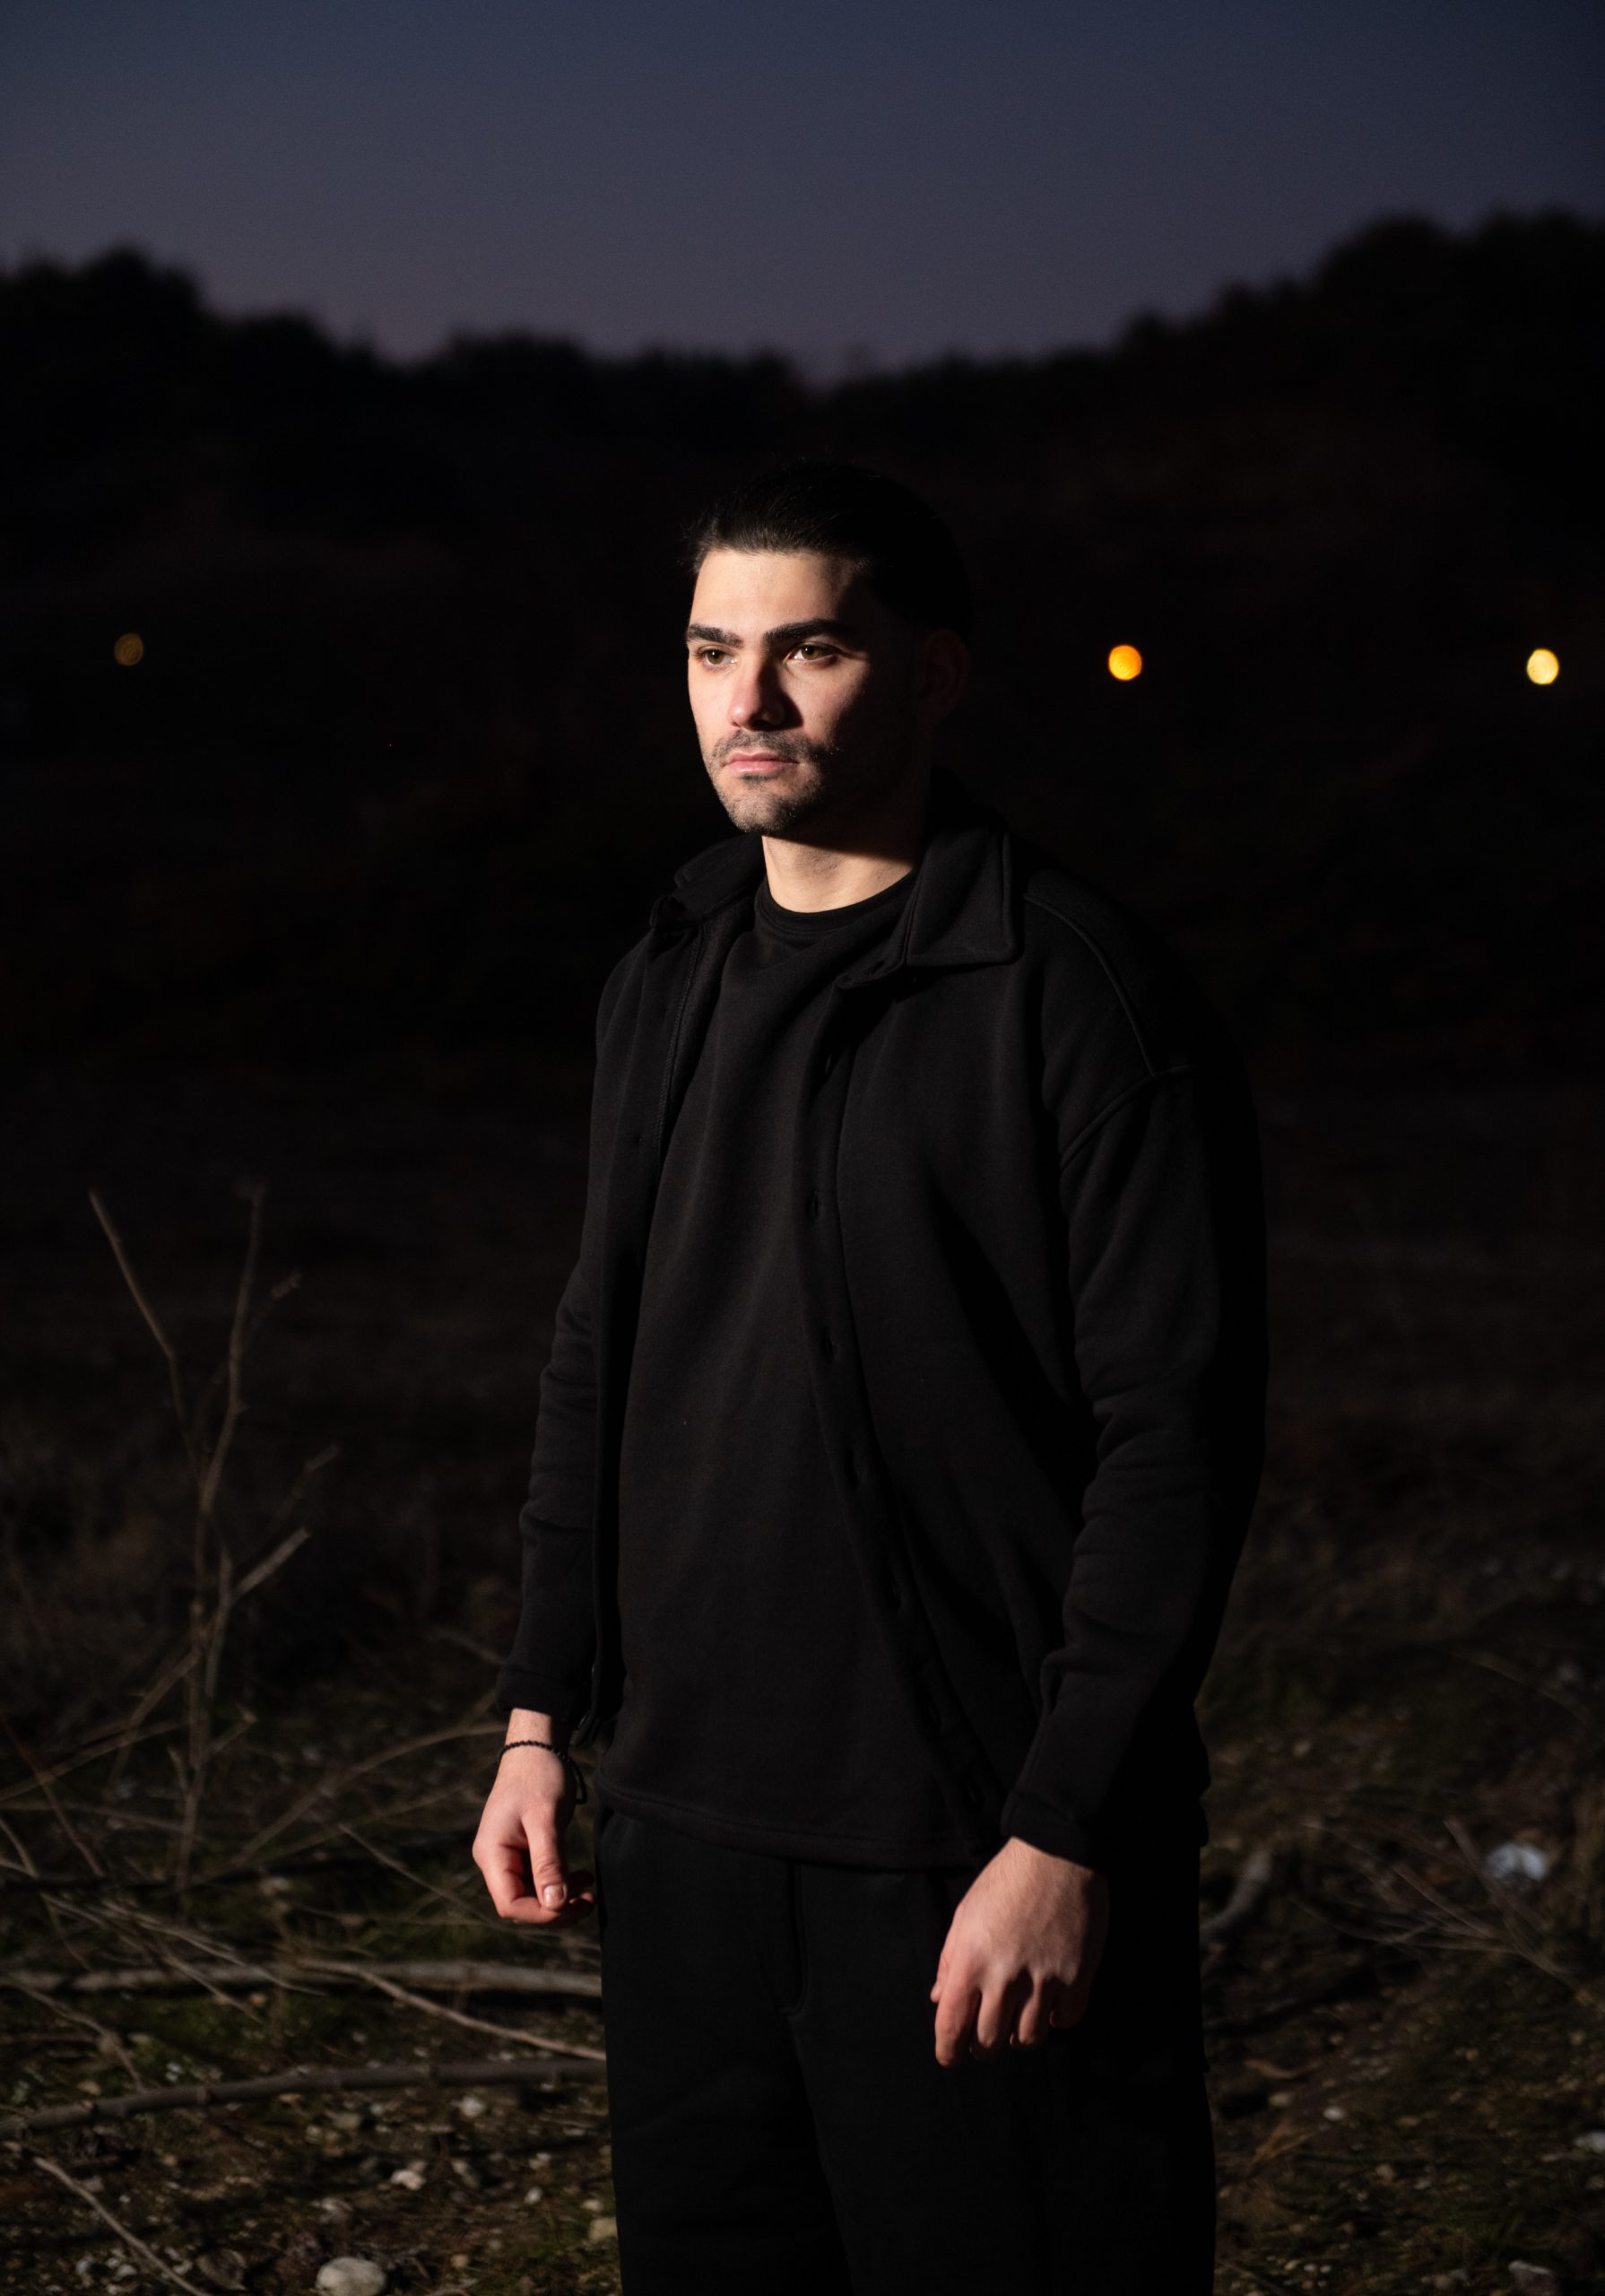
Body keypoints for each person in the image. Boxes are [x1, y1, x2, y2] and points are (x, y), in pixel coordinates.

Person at [472, 460, 1267, 2292]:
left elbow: (1175, 1441)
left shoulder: (1073, 993)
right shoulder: (668, 966)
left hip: (966, 1845)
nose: (745, 701)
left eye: (808, 649)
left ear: (932, 672)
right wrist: (537, 1714)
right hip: (681, 1840)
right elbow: (601, 1348)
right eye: (710, 651)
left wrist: (1065, 1827)